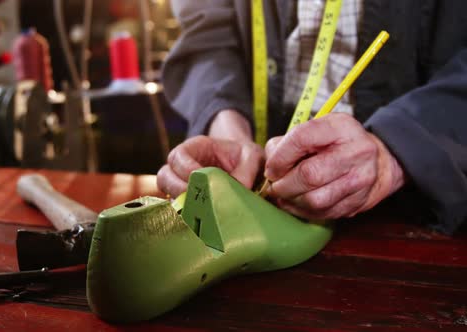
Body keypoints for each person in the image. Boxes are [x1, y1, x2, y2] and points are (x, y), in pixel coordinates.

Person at [156, 0, 467, 234]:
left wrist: (396, 148)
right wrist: (226, 128)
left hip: (427, 217)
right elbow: (206, 34)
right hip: (266, 198)